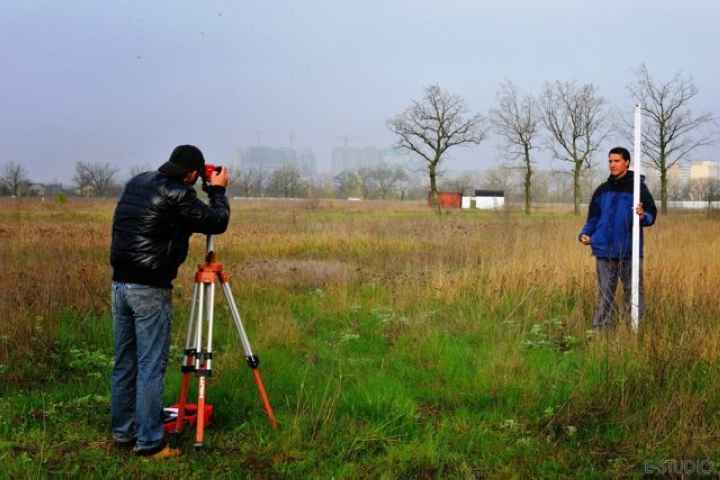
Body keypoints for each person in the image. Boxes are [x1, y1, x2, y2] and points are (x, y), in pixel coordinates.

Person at [109, 145, 230, 458]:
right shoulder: (178, 195)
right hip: (149, 287)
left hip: (120, 284)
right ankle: (150, 443)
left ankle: (124, 432)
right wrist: (217, 191)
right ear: (191, 173)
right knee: (151, 366)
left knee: (125, 362)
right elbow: (216, 222)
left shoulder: (138, 181)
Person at [579, 146, 657, 329]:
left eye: (616, 161)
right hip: (603, 251)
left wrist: (642, 215)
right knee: (605, 294)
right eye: (610, 161)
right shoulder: (602, 190)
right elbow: (593, 217)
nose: (612, 164)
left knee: (633, 293)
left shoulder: (638, 189)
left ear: (626, 162)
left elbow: (651, 215)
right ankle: (601, 332)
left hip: (628, 251)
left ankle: (634, 330)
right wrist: (585, 233)